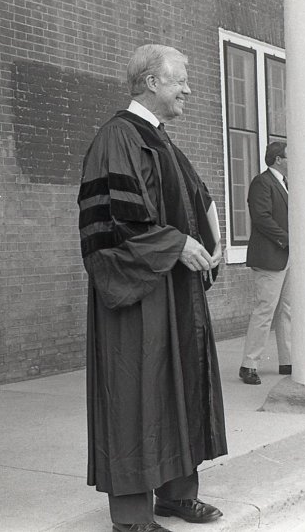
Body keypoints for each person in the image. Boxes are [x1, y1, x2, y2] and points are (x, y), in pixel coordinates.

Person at [77, 44, 226, 532]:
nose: (189, 89)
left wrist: (213, 240)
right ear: (150, 82)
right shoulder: (117, 138)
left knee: (179, 388)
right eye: (181, 79)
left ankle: (176, 495)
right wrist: (177, 245)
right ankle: (132, 518)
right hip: (138, 296)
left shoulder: (161, 141)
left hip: (174, 292)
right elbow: (116, 223)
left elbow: (197, 198)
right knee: (137, 394)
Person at [239, 141, 292, 385]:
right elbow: (261, 218)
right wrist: (287, 240)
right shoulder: (262, 182)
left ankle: (287, 360)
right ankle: (249, 365)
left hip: (286, 257)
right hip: (270, 257)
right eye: (289, 156)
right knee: (265, 311)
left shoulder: (285, 184)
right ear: (278, 159)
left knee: (287, 311)